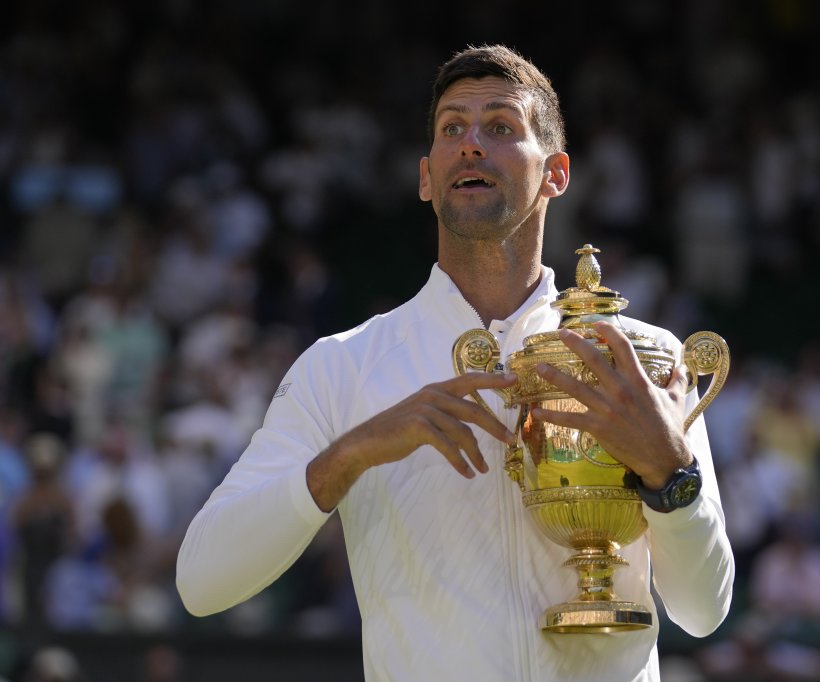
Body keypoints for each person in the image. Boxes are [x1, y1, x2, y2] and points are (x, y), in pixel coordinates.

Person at [176, 44, 734, 681]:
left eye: (500, 126)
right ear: (426, 177)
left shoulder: (639, 358)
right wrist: (353, 453)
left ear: (556, 173)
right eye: (452, 129)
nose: (471, 144)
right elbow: (202, 581)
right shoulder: (341, 369)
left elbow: (704, 610)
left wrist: (671, 471)